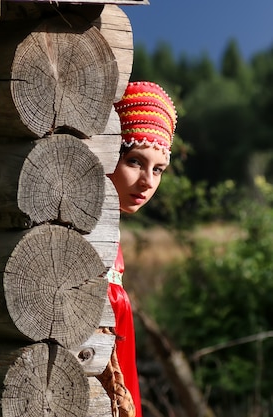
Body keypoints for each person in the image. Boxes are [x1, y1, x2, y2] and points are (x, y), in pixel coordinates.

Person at [98, 81, 178, 417]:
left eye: (158, 169)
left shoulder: (110, 231)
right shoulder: (84, 231)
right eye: (135, 161)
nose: (148, 181)